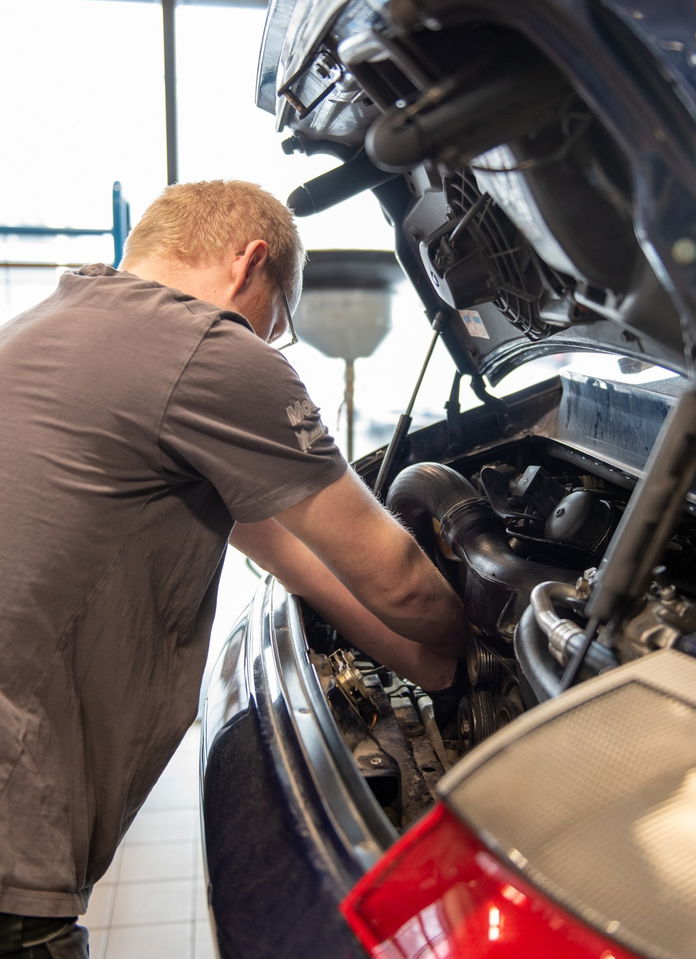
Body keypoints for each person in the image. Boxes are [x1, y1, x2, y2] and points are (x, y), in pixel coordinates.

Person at [0, 180, 470, 956]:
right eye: (275, 325)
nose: (267, 346)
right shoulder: (206, 348)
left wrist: (430, 667)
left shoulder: (54, 325)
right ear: (251, 262)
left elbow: (289, 552)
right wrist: (478, 646)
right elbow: (399, 580)